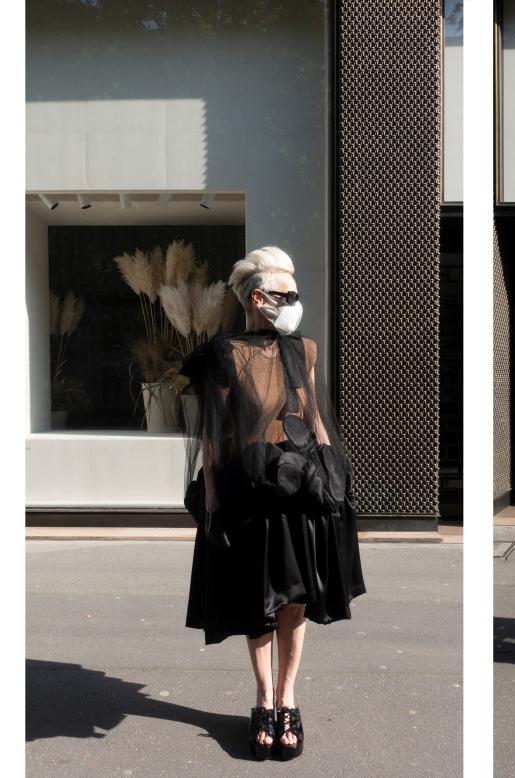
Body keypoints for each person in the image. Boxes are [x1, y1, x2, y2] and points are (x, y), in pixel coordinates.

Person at [180, 246, 365, 759]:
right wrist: (213, 499)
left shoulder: (301, 348)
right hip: (250, 493)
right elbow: (216, 434)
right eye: (288, 295)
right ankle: (263, 700)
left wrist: (334, 477)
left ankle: (289, 697)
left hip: (301, 490)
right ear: (258, 298)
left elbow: (313, 414)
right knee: (259, 602)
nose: (296, 302)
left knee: (297, 597)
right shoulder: (225, 353)